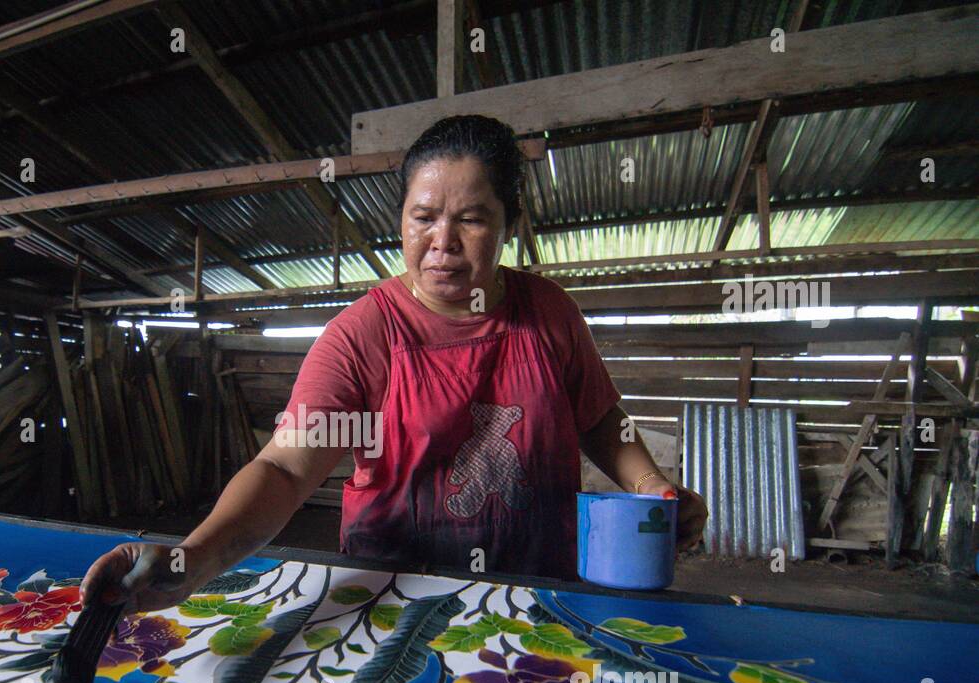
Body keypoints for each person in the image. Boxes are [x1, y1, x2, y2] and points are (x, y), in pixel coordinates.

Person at [82, 114, 707, 612]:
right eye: (424, 217)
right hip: (387, 598)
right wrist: (194, 558)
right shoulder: (363, 336)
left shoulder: (548, 312)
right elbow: (283, 469)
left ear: (509, 224)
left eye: (470, 219)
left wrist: (652, 490)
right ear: (400, 219)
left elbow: (599, 419)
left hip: (536, 590)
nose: (443, 243)